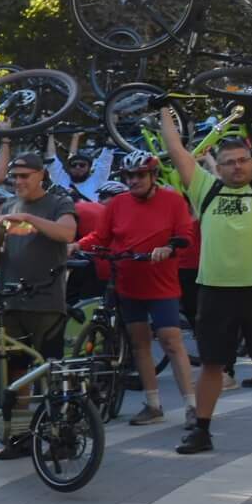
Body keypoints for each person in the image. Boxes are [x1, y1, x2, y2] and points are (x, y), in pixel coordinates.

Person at [76, 150, 198, 427]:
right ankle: (153, 404)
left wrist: (168, 248)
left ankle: (192, 405)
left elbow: (185, 235)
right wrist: (77, 245)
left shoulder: (172, 201)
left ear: (153, 176)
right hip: (127, 283)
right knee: (139, 343)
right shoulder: (117, 204)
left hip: (162, 284)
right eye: (129, 176)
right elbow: (101, 236)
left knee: (171, 341)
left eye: (140, 175)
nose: (134, 180)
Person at [162, 111, 252, 453]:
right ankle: (201, 431)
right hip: (216, 292)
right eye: (229, 162)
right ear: (217, 167)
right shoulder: (207, 189)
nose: (237, 167)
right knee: (214, 364)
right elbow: (176, 150)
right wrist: (164, 110)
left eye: (243, 161)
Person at [0, 147, 78, 363]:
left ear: (41, 175)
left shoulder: (58, 202)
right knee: (14, 372)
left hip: (45, 302)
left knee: (48, 368)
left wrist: (29, 218)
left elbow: (67, 233)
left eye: (24, 176)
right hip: (11, 302)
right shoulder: (8, 205)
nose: (18, 182)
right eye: (14, 177)